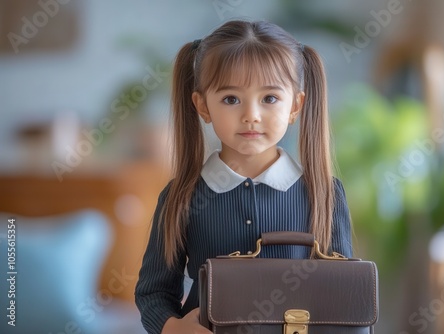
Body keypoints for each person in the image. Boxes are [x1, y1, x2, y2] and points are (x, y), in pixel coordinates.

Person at [135, 20, 353, 334]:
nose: (251, 114)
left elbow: (342, 294)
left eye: (270, 98)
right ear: (202, 106)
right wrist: (172, 327)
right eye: (231, 99)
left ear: (295, 105)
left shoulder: (325, 194)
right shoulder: (180, 197)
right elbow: (153, 292)